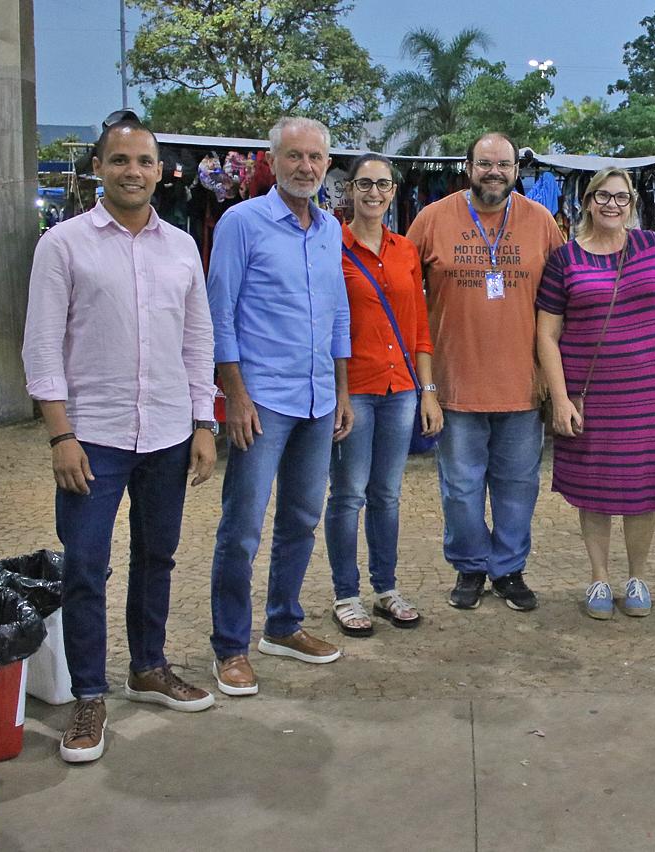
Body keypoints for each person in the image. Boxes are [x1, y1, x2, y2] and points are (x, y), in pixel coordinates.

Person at [22, 111, 218, 763]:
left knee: (157, 556)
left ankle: (148, 666)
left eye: (143, 161)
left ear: (161, 172)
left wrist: (203, 423)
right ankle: (88, 693)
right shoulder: (64, 245)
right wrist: (61, 436)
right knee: (85, 565)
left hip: (167, 433)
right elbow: (42, 345)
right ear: (98, 168)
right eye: (120, 160)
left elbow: (197, 341)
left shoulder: (181, 247)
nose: (133, 171)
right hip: (92, 439)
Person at [206, 116, 354, 697]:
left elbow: (338, 314)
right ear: (273, 161)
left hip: (318, 399)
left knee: (302, 518)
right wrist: (235, 396)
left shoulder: (330, 228)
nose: (306, 167)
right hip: (262, 401)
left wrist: (342, 391)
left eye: (315, 157)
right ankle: (230, 646)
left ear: (327, 164)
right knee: (243, 526)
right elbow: (220, 313)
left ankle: (283, 624)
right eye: (294, 156)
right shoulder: (242, 223)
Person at [406, 133, 565, 612]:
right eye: (484, 163)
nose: (494, 172)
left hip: (522, 385)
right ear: (468, 167)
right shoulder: (432, 219)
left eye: (503, 164)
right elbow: (406, 298)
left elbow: (564, 300)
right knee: (460, 489)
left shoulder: (541, 222)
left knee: (518, 487)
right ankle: (471, 566)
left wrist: (555, 379)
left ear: (516, 170)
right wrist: (424, 384)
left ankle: (509, 569)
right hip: (455, 384)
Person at [536, 168, 655, 619]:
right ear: (587, 201)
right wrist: (559, 398)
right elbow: (547, 335)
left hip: (649, 394)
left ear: (633, 204)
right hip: (591, 395)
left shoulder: (653, 248)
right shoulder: (564, 259)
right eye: (603, 196)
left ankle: (637, 576)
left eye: (621, 197)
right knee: (594, 487)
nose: (612, 205)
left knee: (643, 485)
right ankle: (599, 577)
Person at [326, 153, 441, 635]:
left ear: (394, 191)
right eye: (365, 184)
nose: (374, 193)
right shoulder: (332, 245)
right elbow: (328, 325)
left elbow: (419, 326)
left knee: (387, 494)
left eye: (383, 185)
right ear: (350, 190)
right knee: (348, 494)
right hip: (355, 388)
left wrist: (428, 390)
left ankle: (385, 587)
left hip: (401, 389)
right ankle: (346, 593)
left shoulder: (405, 250)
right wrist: (338, 394)